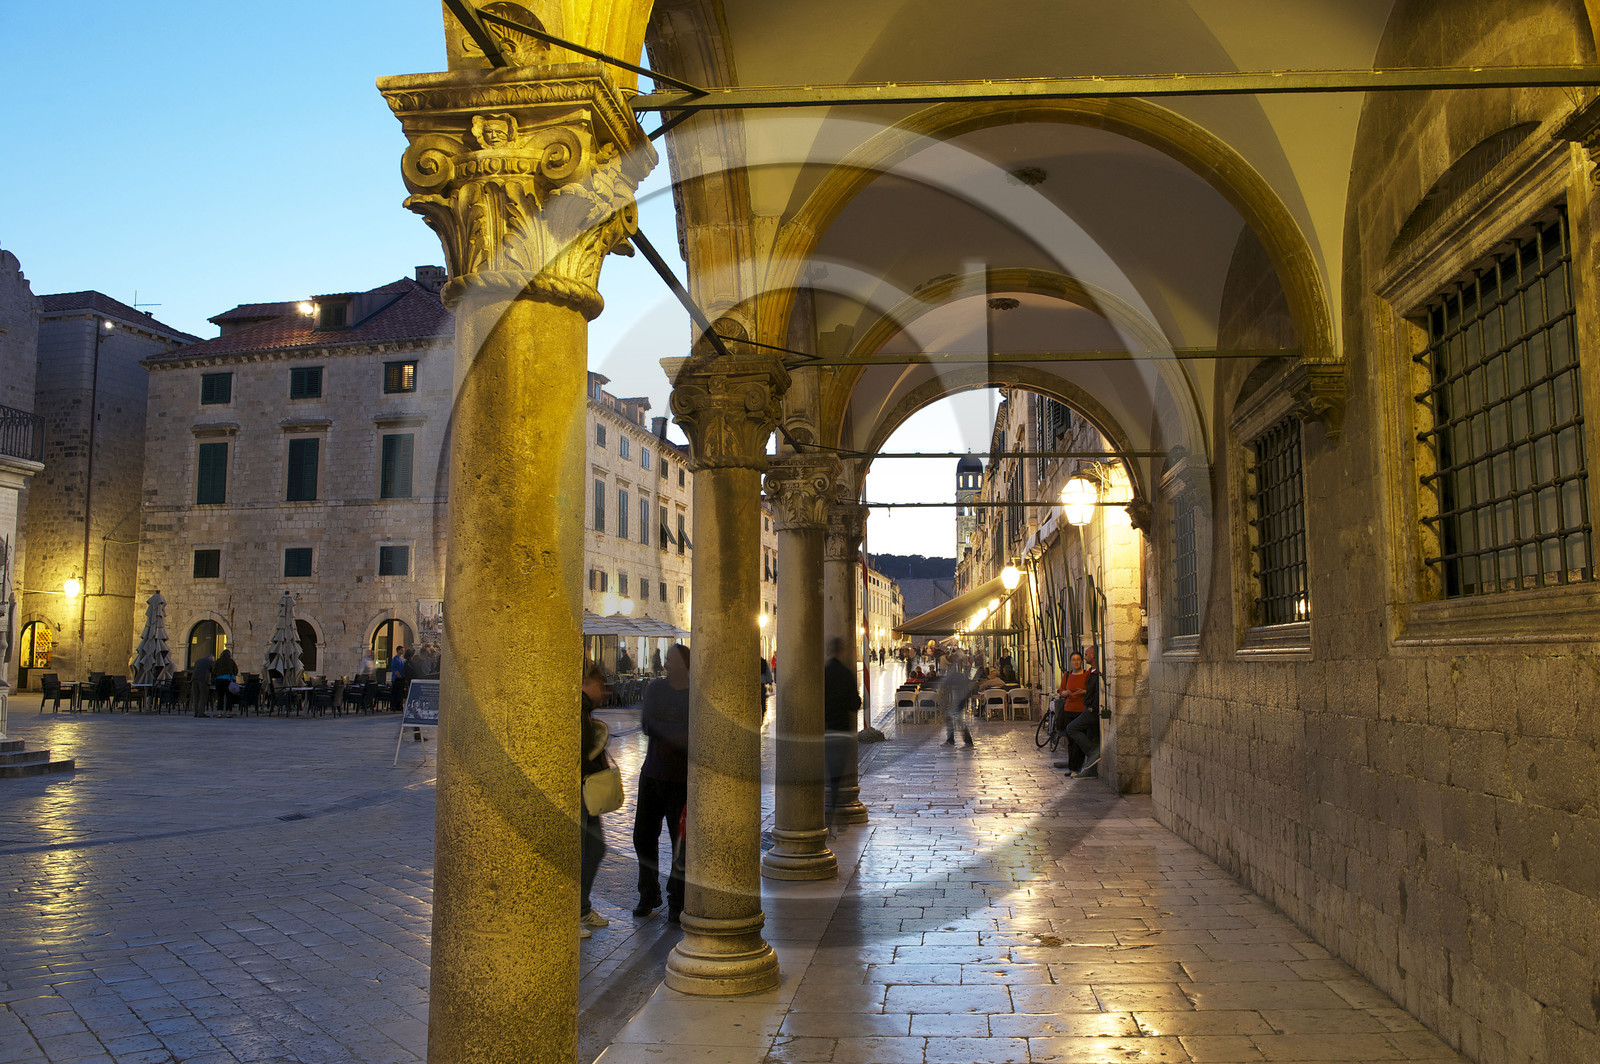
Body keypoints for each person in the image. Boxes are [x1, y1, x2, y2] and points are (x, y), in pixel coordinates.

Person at [633, 643, 689, 920]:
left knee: (680, 844)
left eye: (670, 659)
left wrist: (667, 734)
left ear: (684, 664)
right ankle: (648, 892)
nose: (665, 664)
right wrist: (676, 736)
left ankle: (676, 899)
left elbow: (694, 735)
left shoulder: (694, 694)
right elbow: (646, 724)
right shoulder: (656, 689)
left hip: (681, 780)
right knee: (643, 837)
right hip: (652, 773)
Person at [579, 663, 613, 938]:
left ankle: (581, 907)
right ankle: (573, 911)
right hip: (578, 792)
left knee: (594, 848)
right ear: (585, 683)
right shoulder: (578, 711)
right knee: (587, 849)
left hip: (583, 792)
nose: (602, 692)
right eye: (598, 685)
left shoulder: (585, 711)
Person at [823, 637, 861, 831]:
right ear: (843, 651)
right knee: (837, 777)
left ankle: (826, 816)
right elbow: (854, 704)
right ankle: (833, 817)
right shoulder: (846, 674)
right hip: (842, 731)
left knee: (826, 775)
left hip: (825, 730)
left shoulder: (823, 673)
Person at [1064, 646, 1103, 778]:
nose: (1084, 658)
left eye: (1085, 655)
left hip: (1089, 710)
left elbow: (1095, 692)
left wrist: (1091, 704)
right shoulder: (1091, 672)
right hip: (1076, 708)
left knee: (1072, 729)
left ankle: (1093, 753)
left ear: (1092, 655)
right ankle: (1088, 769)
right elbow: (1061, 691)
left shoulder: (1094, 673)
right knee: (1078, 737)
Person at [1054, 651, 1091, 773]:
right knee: (1070, 741)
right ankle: (1072, 767)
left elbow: (1091, 690)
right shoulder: (1067, 675)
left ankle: (1077, 768)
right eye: (1073, 660)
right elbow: (1061, 691)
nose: (1076, 662)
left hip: (1081, 711)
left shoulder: (1087, 675)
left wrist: (1083, 692)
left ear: (1081, 661)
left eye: (1078, 659)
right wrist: (1066, 693)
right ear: (1071, 662)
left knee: (1078, 741)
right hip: (1068, 710)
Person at [940, 654, 973, 746]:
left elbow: (946, 682)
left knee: (955, 720)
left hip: (958, 698)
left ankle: (959, 740)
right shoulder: (960, 672)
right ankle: (956, 740)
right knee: (956, 720)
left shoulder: (953, 671)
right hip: (961, 698)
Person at [213, 649, 238, 716]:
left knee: (220, 697)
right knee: (229, 697)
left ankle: (219, 712)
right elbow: (235, 671)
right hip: (228, 681)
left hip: (219, 680)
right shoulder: (231, 661)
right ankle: (228, 713)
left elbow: (214, 670)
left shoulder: (218, 661)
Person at [190, 651, 215, 718]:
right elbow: (213, 671)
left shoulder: (198, 661)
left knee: (196, 696)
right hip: (203, 679)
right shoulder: (209, 662)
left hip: (194, 679)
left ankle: (196, 712)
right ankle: (200, 712)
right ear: (211, 658)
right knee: (203, 696)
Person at [389, 645, 407, 714]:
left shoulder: (402, 659)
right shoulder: (395, 659)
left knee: (400, 694)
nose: (403, 651)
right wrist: (399, 677)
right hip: (396, 679)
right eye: (401, 650)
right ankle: (394, 706)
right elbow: (395, 670)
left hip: (401, 678)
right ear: (398, 650)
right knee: (396, 693)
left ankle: (399, 705)